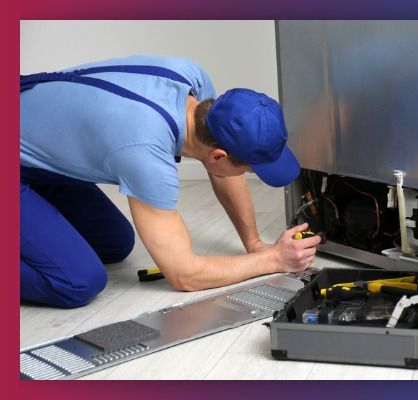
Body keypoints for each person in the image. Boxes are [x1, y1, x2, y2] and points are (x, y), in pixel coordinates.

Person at [20, 55, 320, 308]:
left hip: (35, 153)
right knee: (78, 281)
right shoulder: (145, 151)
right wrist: (273, 261)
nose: (246, 174)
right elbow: (184, 274)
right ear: (218, 156)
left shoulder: (194, 84)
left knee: (114, 243)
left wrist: (255, 245)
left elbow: (223, 171)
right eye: (249, 169)